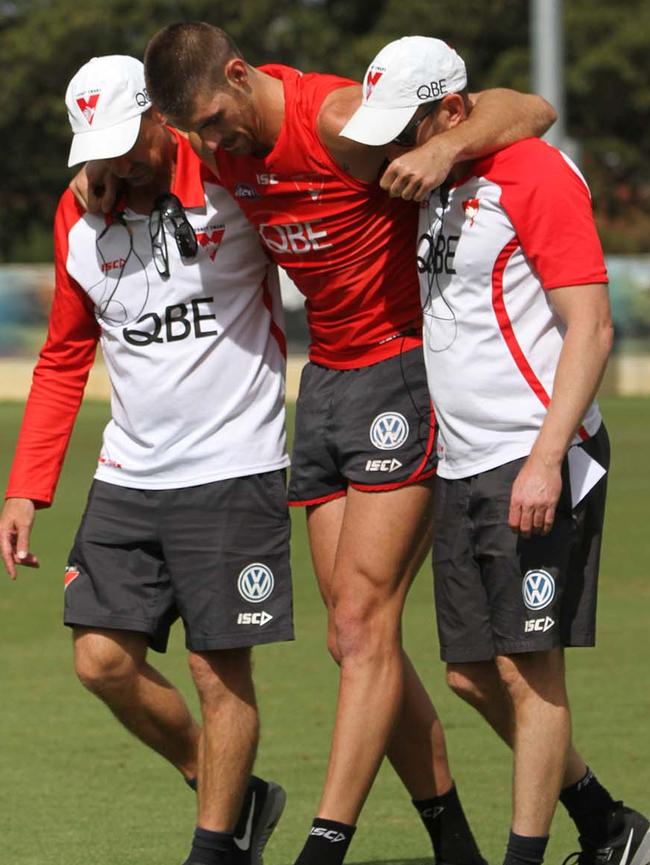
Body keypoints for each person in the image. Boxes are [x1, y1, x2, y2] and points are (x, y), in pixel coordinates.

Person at [74, 25, 555, 865]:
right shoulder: (216, 153)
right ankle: (483, 838)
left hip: (400, 369)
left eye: (218, 122)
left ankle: (324, 846)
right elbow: (163, 171)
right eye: (197, 134)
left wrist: (446, 154)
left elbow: (528, 107)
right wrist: (98, 174)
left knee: (367, 627)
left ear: (238, 74)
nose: (214, 144)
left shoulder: (335, 117)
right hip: (326, 381)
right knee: (349, 638)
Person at [340, 35, 650, 865]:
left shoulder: (535, 176)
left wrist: (548, 457)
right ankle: (609, 821)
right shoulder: (432, 182)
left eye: (406, 127)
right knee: (472, 675)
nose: (391, 148)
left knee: (529, 672)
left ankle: (525, 854)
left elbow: (592, 325)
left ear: (449, 110)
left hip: (537, 455)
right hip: (461, 462)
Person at [0, 55, 294, 865]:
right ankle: (227, 787)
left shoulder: (234, 176)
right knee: (100, 660)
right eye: (98, 147)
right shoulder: (79, 213)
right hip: (129, 473)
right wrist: (26, 488)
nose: (117, 161)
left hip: (234, 463)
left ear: (164, 119)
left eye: (129, 140)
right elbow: (64, 357)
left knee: (216, 667)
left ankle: (214, 845)